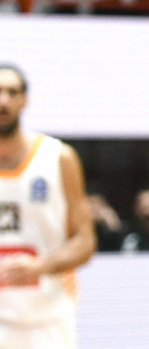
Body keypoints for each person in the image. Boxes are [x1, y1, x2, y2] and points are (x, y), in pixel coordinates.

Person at [0, 64, 95, 348]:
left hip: (49, 318)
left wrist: (41, 266)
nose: (3, 100)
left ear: (24, 100)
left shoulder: (58, 158)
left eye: (12, 92)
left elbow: (85, 241)